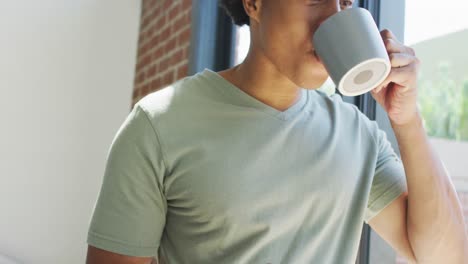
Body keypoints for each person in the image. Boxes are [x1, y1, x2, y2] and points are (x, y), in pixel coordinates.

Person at [85, 0, 468, 263]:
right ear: (253, 2)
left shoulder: (359, 136)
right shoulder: (157, 125)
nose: (334, 18)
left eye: (347, 3)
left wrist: (407, 119)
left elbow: (447, 256)